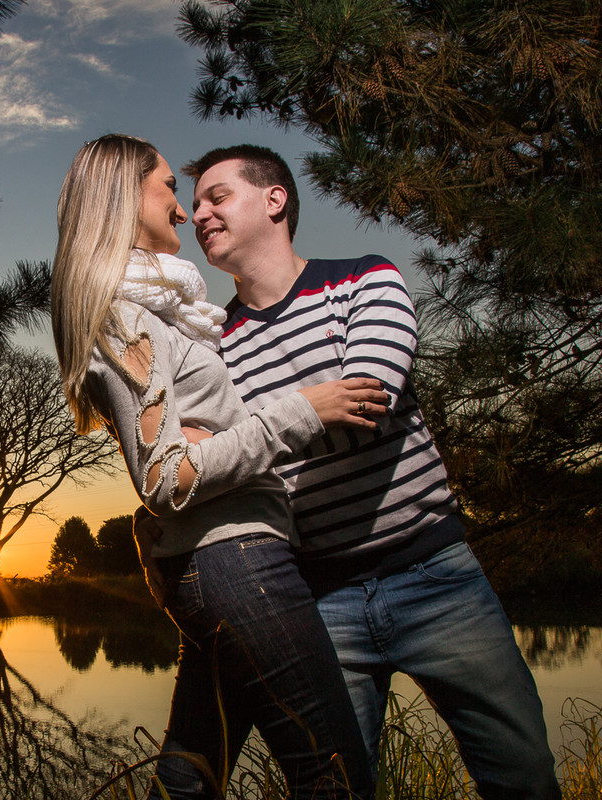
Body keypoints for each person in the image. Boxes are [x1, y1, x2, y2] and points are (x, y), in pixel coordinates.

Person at [147, 143, 560, 799]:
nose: (197, 214)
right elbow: (202, 462)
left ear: (274, 199)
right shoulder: (210, 344)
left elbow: (364, 407)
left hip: (435, 576)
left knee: (524, 776)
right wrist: (287, 418)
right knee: (338, 788)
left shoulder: (367, 279)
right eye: (193, 204)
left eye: (217, 196)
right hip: (314, 597)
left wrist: (248, 438)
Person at [50, 134, 385, 799]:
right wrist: (300, 411)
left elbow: (190, 450)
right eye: (169, 187)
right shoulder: (125, 313)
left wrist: (217, 440)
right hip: (235, 563)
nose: (182, 209)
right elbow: (164, 477)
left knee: (190, 777)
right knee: (335, 776)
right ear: (124, 198)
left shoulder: (167, 310)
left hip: (226, 555)